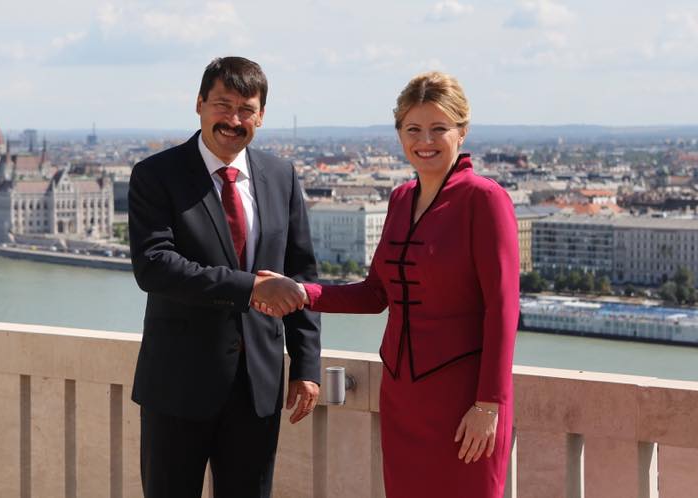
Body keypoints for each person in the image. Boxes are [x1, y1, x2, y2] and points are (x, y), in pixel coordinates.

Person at [256, 71, 519, 497]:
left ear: (462, 132)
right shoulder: (400, 199)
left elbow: (502, 310)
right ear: (399, 134)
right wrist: (303, 293)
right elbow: (376, 293)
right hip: (402, 396)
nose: (425, 140)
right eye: (413, 129)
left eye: (438, 128)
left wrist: (489, 405)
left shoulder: (485, 199)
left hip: (465, 402)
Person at [128, 56, 321, 498]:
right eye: (223, 105)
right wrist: (251, 288)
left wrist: (306, 365)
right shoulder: (156, 175)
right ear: (199, 104)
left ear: (261, 116)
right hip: (178, 385)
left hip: (258, 387)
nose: (233, 120)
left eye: (246, 110)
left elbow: (300, 274)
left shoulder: (282, 176)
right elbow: (155, 266)